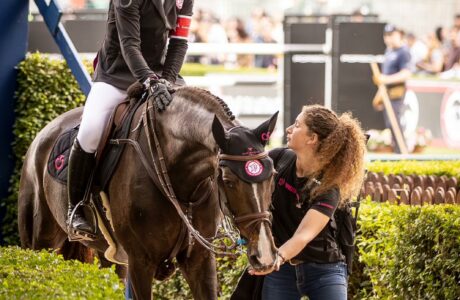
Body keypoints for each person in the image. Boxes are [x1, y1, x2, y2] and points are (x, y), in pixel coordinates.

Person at [67, 0, 193, 241]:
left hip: (160, 74)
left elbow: (179, 43)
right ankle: (76, 208)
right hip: (117, 75)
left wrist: (165, 80)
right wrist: (151, 82)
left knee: (191, 121)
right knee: (90, 131)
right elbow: (129, 45)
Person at [248, 105, 366, 300]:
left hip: (325, 270)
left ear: (312, 138)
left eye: (296, 125)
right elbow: (246, 172)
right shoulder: (278, 159)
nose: (288, 129)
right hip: (282, 271)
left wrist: (276, 258)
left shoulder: (329, 188)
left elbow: (303, 235)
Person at [373, 24, 411, 153]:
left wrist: (386, 79)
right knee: (390, 124)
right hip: (386, 92)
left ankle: (402, 151)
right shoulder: (389, 51)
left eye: (391, 35)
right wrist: (379, 97)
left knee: (395, 123)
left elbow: (406, 73)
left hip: (397, 92)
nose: (389, 38)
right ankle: (397, 150)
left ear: (399, 35)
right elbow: (383, 78)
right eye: (386, 35)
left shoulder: (403, 51)